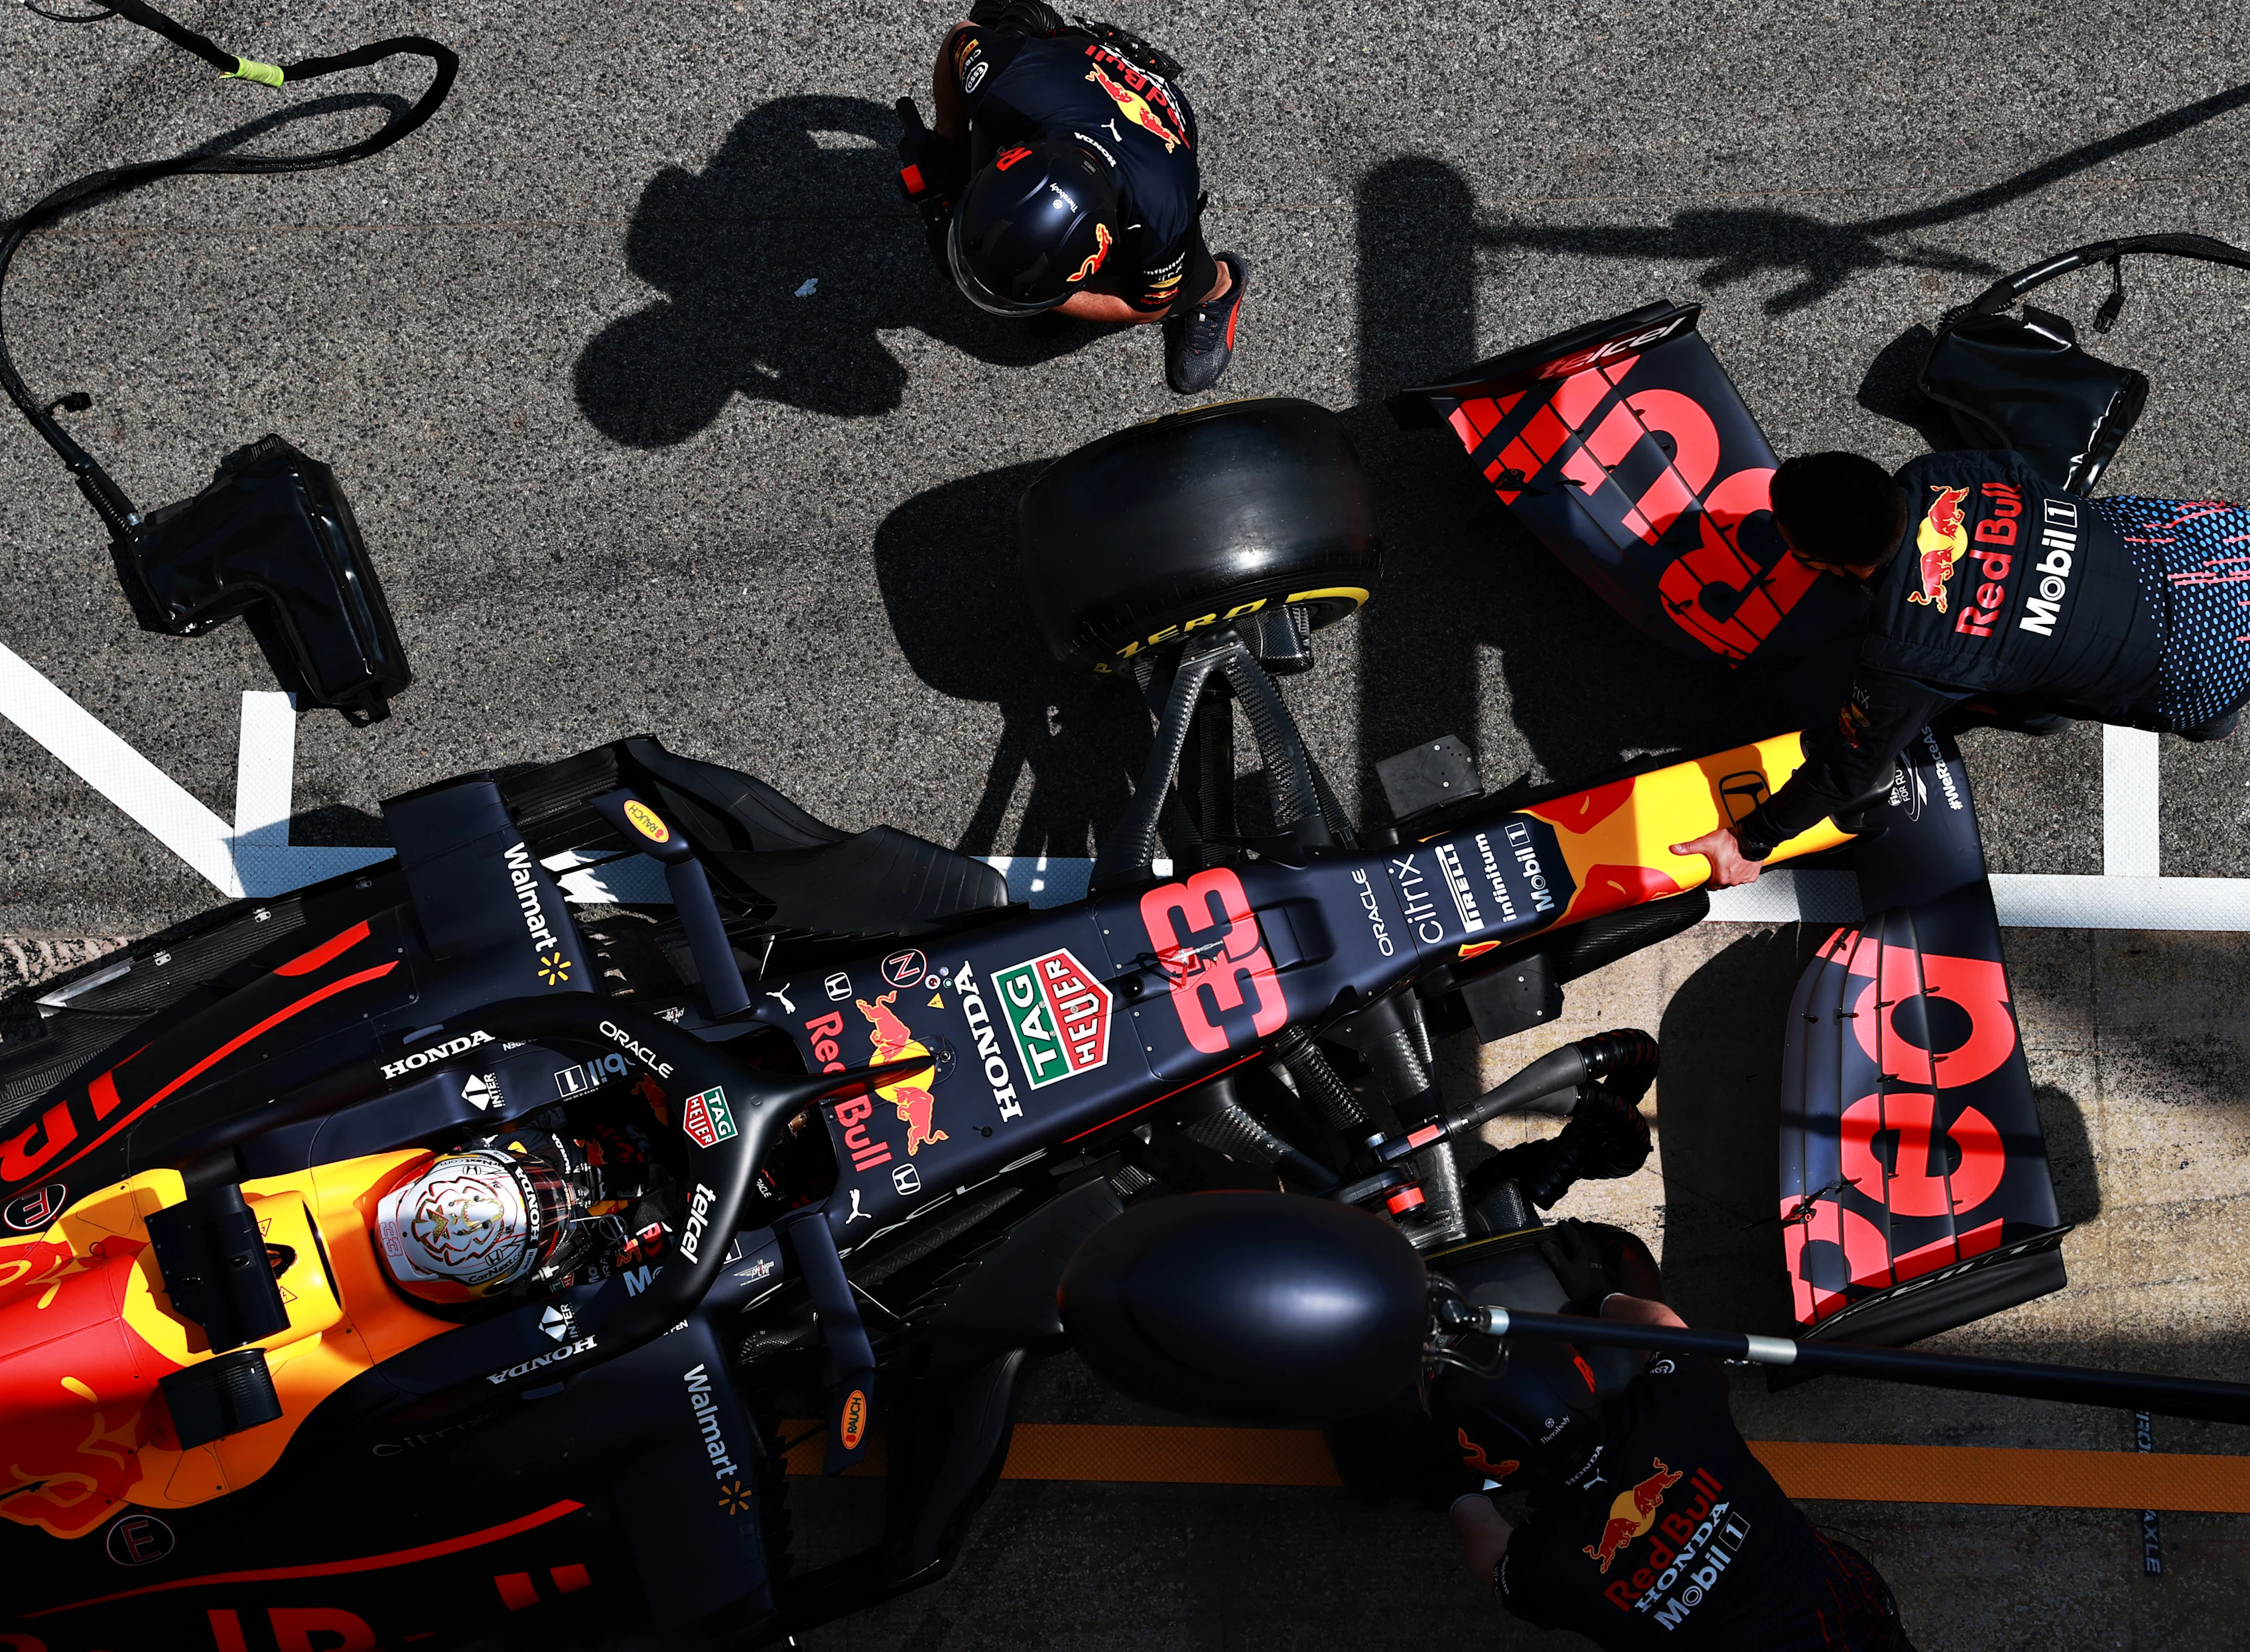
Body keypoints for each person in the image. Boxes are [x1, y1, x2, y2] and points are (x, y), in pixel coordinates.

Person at [1670, 449, 2250, 887]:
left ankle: (2194, 720)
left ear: (1819, 560)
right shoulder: (1939, 475)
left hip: (2202, 662)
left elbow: (1844, 770)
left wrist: (1747, 842)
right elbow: (2022, 470)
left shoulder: (1907, 651)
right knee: (2047, 648)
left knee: (2204, 714)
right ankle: (2042, 700)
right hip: (2216, 548)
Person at [1442, 1291, 1917, 1650]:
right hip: (1854, 1620)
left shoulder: (1545, 1566)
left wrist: (1456, 1494)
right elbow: (1670, 1330)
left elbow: (1495, 1563)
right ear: (1579, 1374)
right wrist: (1606, 1297)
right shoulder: (1678, 1406)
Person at [917, 1, 1247, 394]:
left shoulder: (1162, 211)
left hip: (1161, 122)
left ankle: (1224, 288)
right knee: (988, 112)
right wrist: (948, 141)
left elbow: (1149, 305)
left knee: (1188, 280)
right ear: (1013, 157)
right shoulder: (1006, 84)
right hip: (1070, 71)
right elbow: (960, 37)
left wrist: (1053, 298)